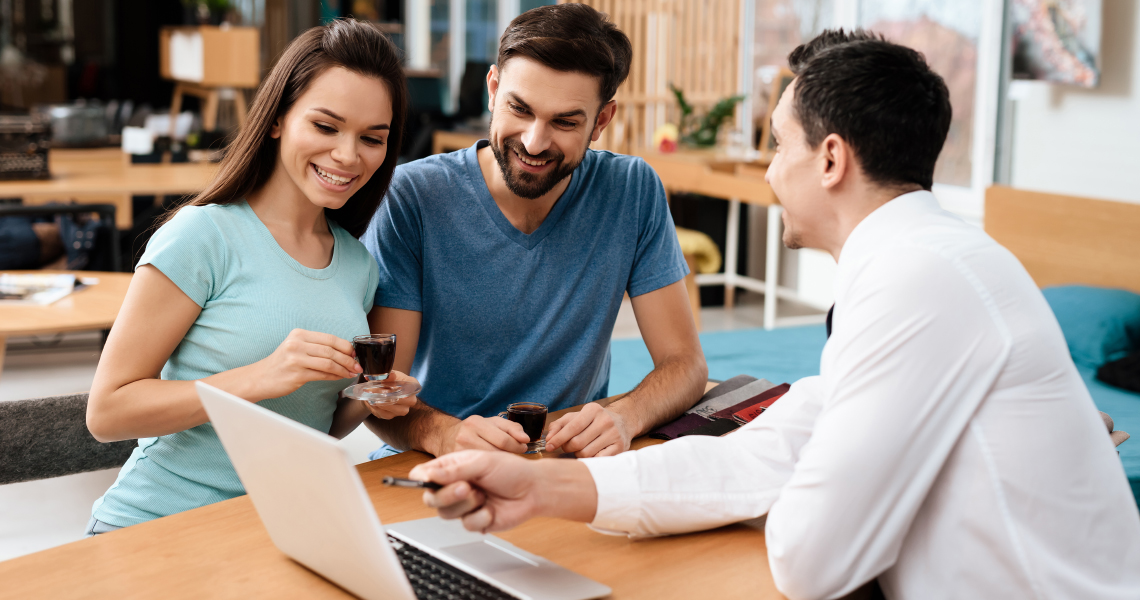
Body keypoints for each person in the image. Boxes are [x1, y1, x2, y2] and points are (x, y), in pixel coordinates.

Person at [408, 30, 1140, 599]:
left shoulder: (921, 279)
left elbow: (811, 557)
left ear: (829, 160)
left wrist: (795, 482)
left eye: (777, 144)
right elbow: (763, 449)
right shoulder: (921, 266)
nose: (766, 171)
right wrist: (544, 489)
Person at [84, 20, 416, 534]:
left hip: (277, 530)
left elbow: (315, 424)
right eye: (326, 127)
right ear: (279, 119)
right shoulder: (203, 235)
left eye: (371, 138)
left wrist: (368, 399)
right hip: (158, 526)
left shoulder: (357, 263)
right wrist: (261, 376)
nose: (349, 156)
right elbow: (107, 413)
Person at [360, 4, 707, 460]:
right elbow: (379, 395)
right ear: (493, 89)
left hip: (566, 461)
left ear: (601, 121)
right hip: (439, 461)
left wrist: (627, 415)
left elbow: (685, 364)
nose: (534, 142)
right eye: (519, 109)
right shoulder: (412, 197)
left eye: (565, 122)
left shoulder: (632, 190)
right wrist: (445, 434)